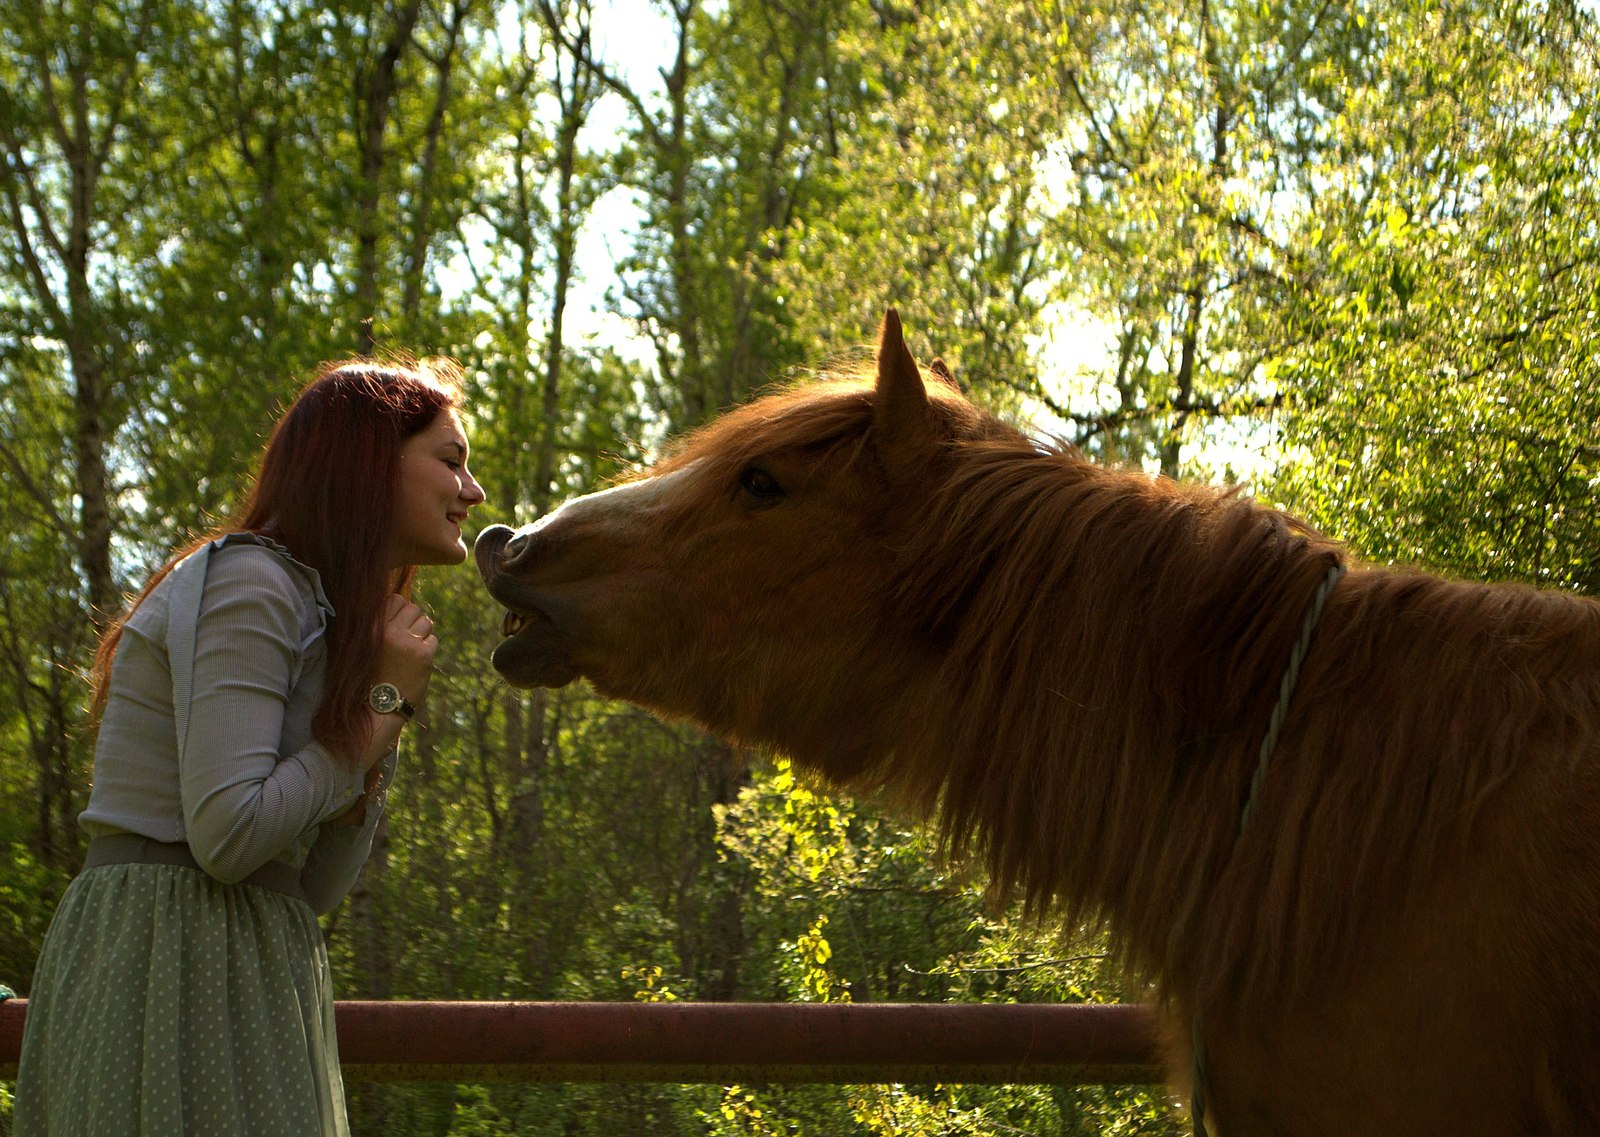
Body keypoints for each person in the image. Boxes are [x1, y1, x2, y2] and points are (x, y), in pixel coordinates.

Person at [14, 358, 486, 1136]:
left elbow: (317, 885)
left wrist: (377, 706)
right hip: (161, 965)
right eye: (450, 460)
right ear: (369, 462)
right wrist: (382, 710)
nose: (471, 491)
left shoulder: (325, 611)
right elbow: (228, 835)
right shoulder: (253, 582)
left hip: (260, 965)